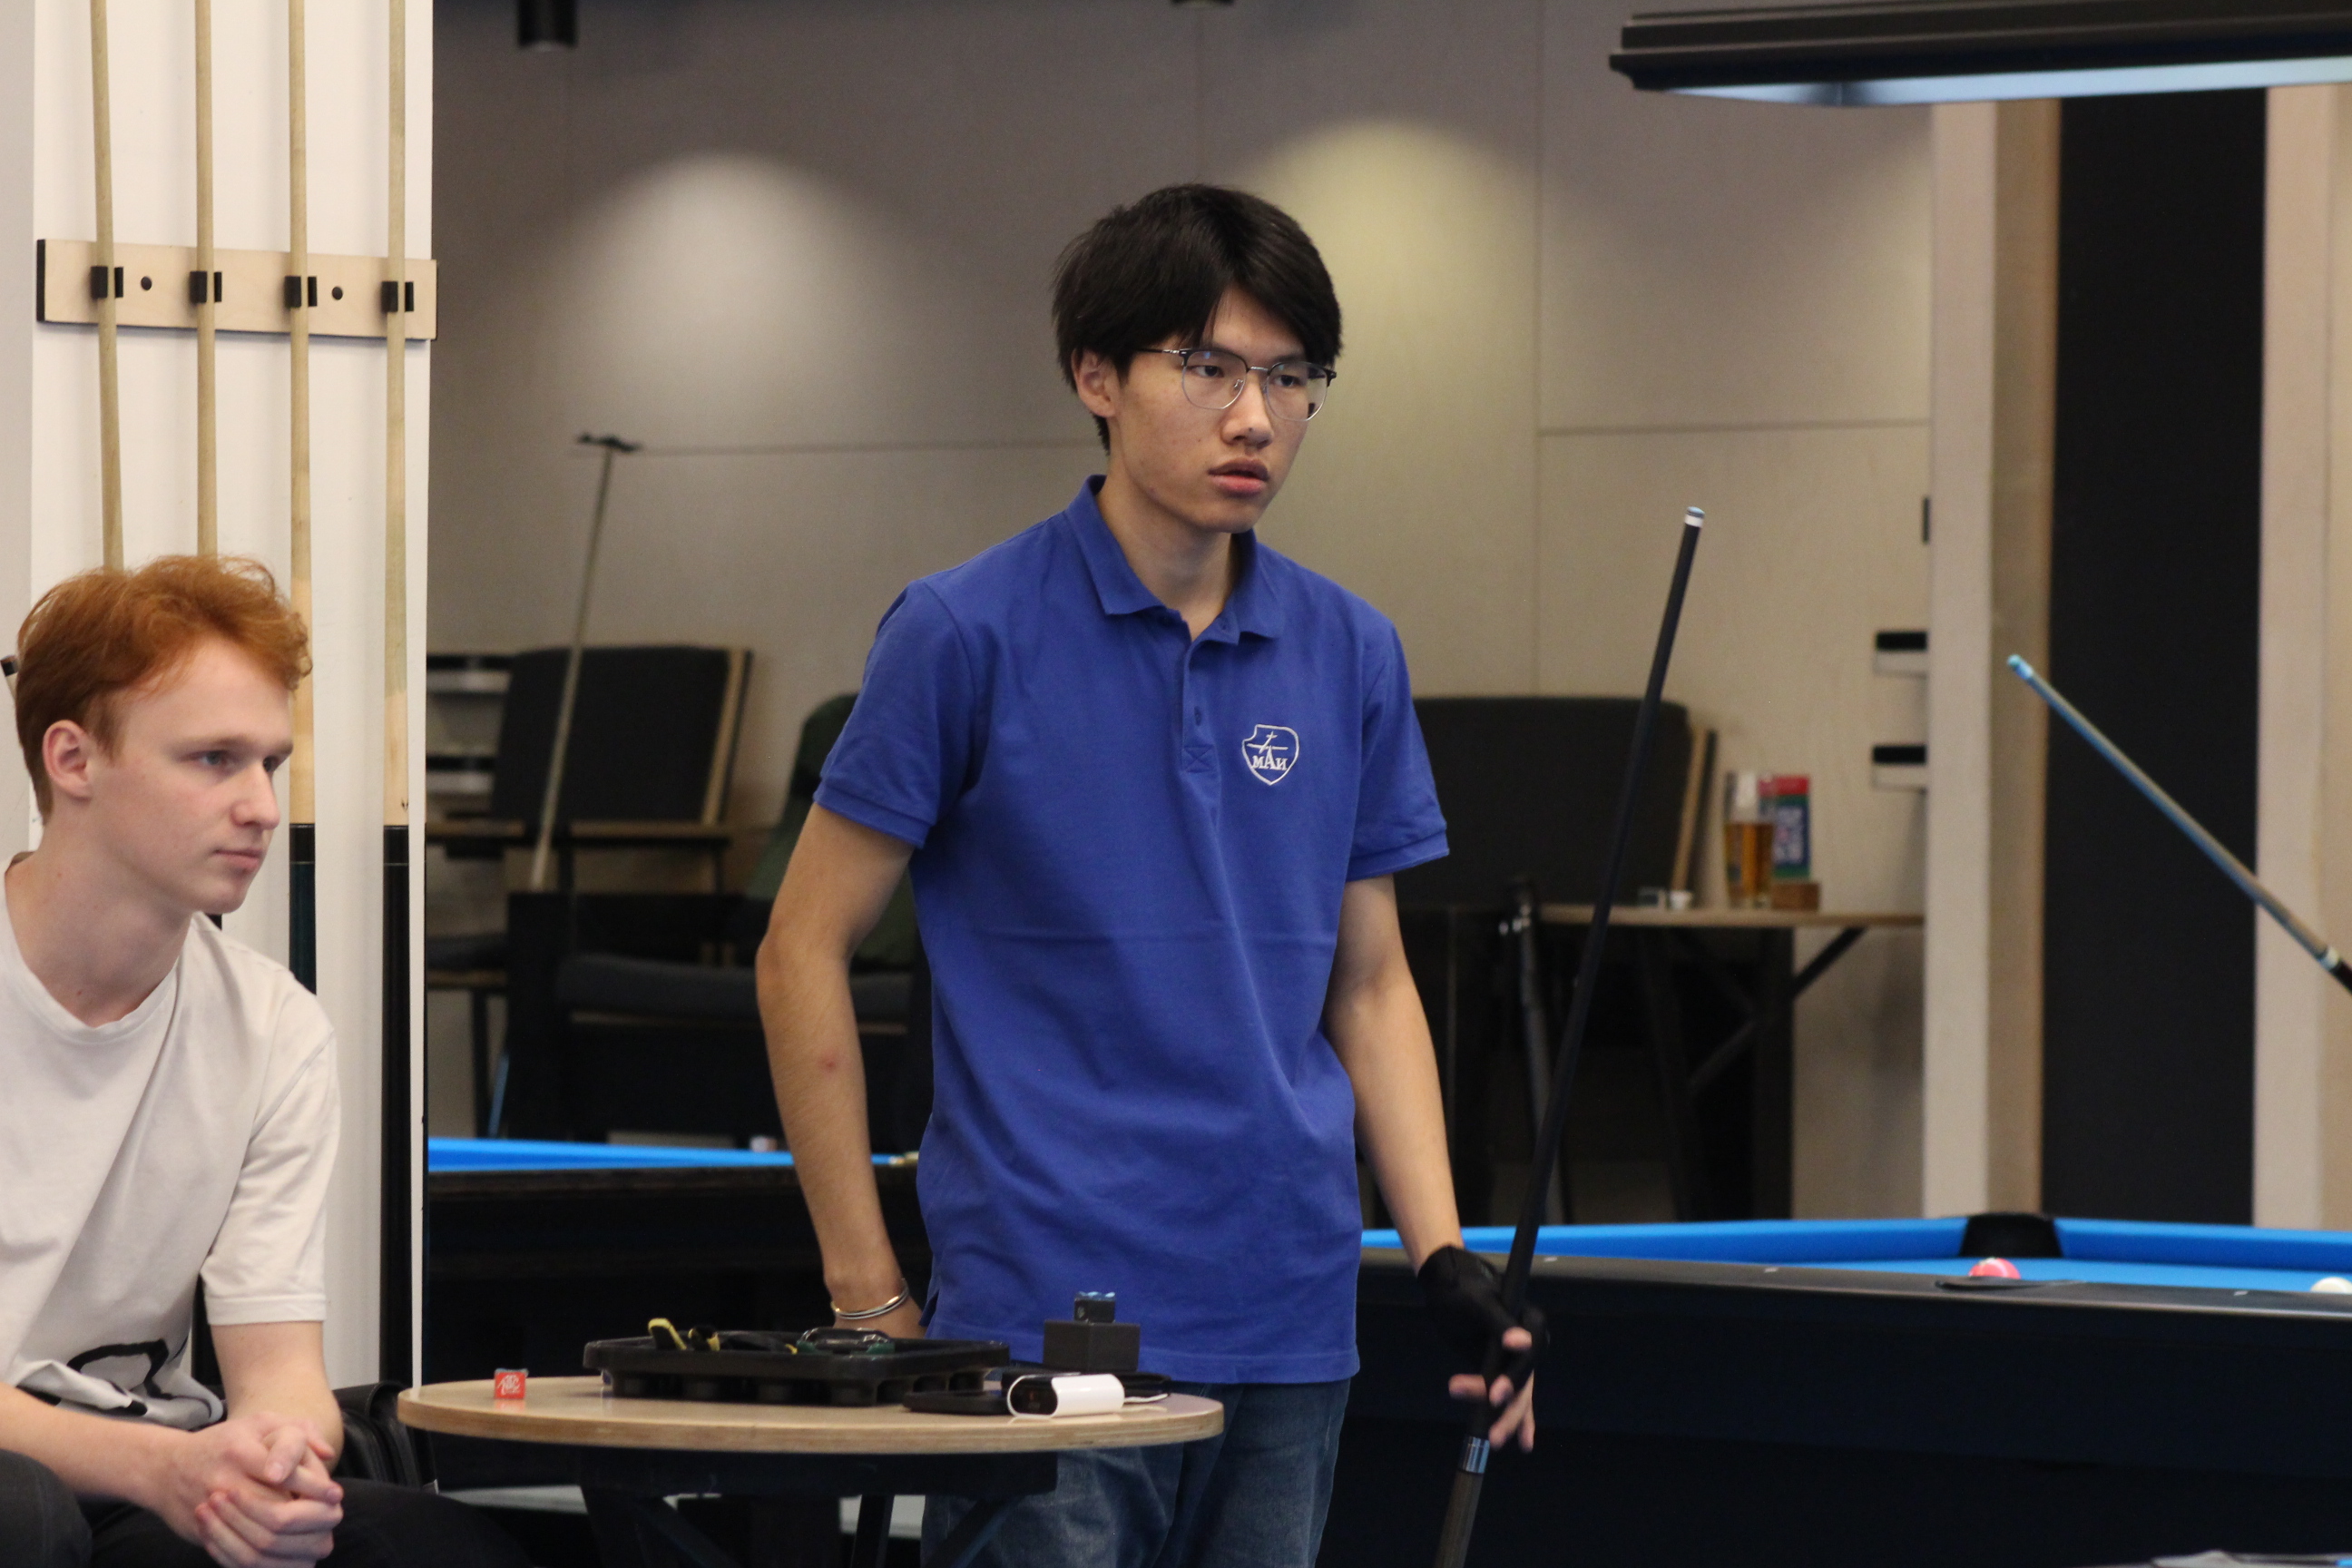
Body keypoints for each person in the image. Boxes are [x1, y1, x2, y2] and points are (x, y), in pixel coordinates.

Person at [759, 184, 1541, 1568]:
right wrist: (868, 1294)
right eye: (1210, 367)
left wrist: (1441, 1256)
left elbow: (1369, 986)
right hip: (1045, 1327)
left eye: (1291, 377)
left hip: (1290, 1318)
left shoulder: (1351, 650)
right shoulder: (960, 634)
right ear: (1096, 377)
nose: (1256, 418)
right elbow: (799, 952)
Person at [0, 557, 526, 1568]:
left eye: (271, 765)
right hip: (48, 1481)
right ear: (73, 760)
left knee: (432, 1545)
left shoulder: (275, 1029)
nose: (262, 807)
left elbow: (282, 1373)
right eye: (214, 760)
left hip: (148, 1470)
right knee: (24, 1516)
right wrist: (167, 1467)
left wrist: (277, 1457)